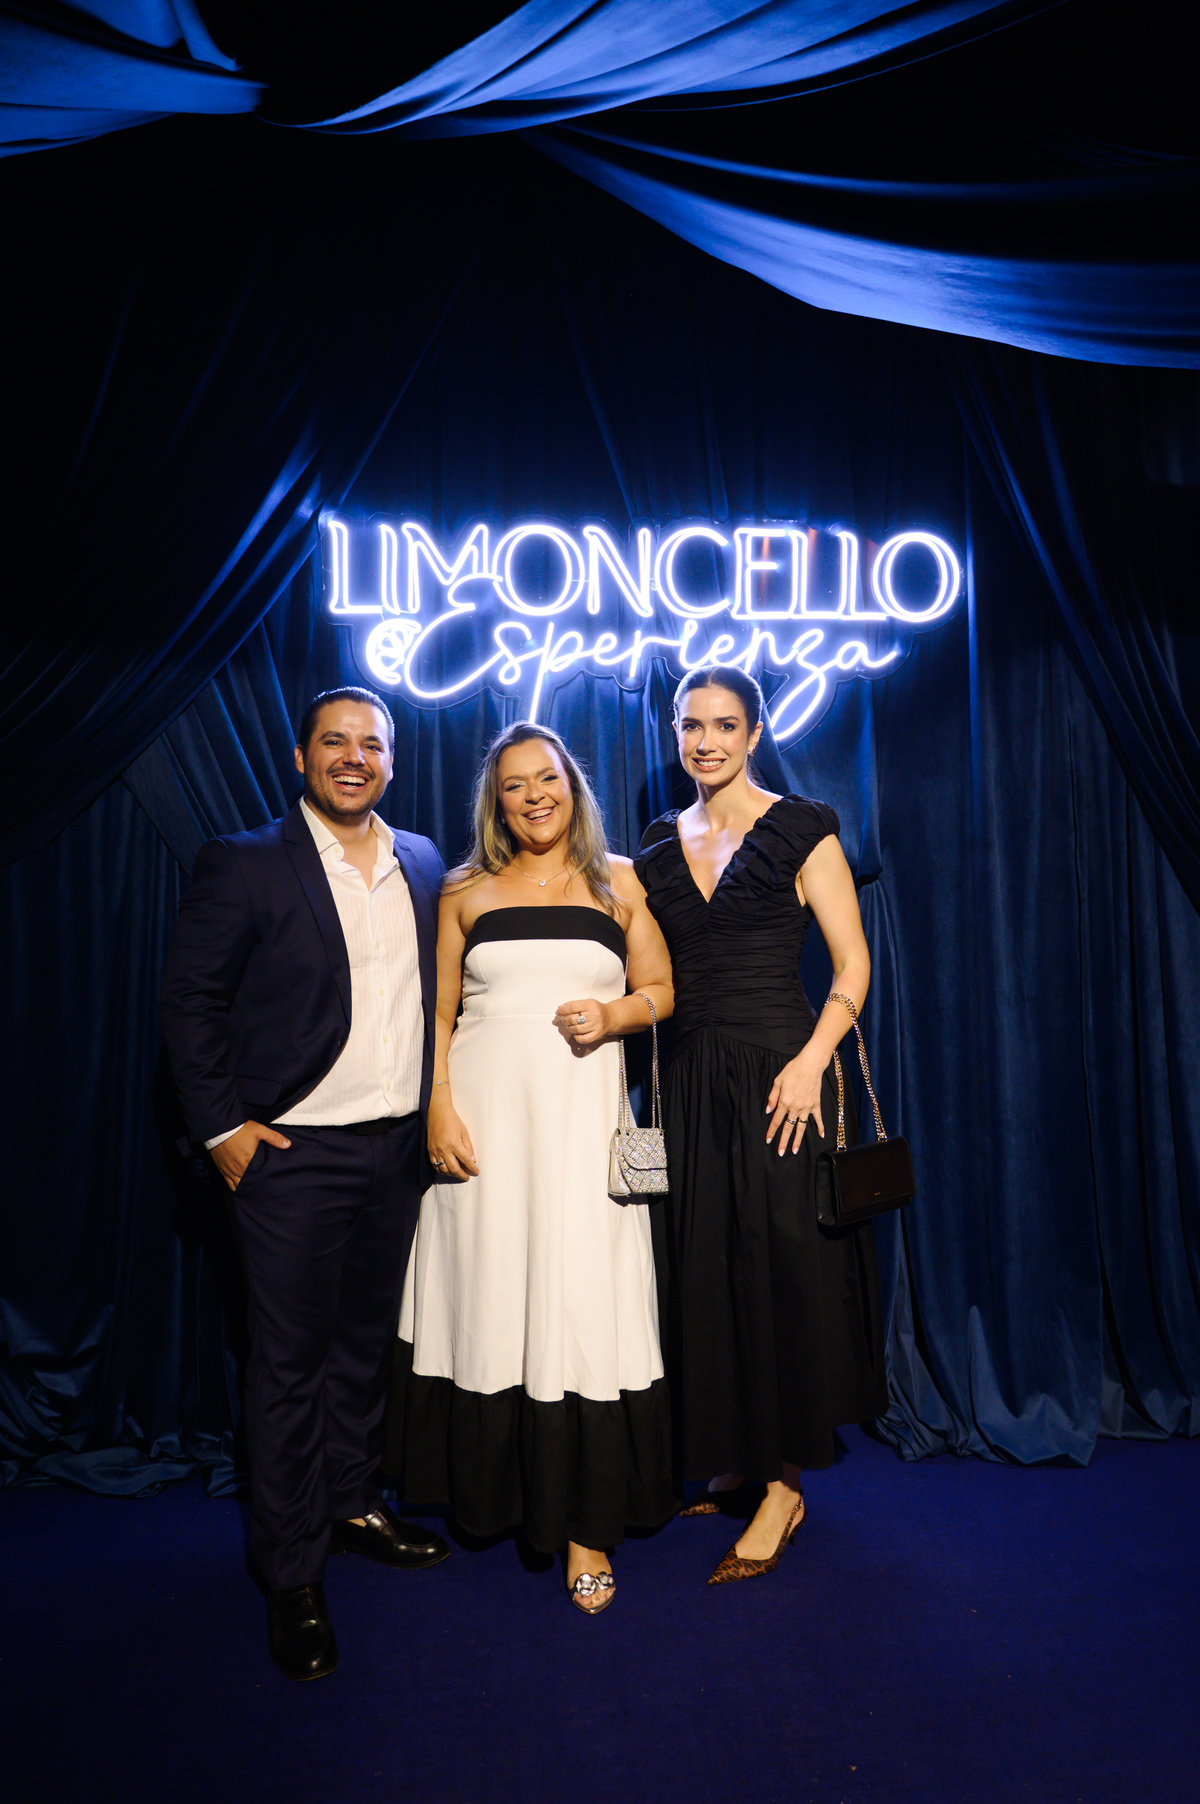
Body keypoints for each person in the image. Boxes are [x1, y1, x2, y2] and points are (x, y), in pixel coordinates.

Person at [159, 687, 450, 1681]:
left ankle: (354, 1503)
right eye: (335, 741)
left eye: (372, 744)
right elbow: (190, 1003)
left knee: (363, 1349)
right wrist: (223, 1131)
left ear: (392, 763)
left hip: (395, 1150)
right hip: (290, 1156)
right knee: (288, 1364)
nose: (354, 757)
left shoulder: (422, 861)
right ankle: (292, 1574)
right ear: (300, 756)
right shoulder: (243, 861)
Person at [385, 722, 675, 1613]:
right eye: (514, 785)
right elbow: (437, 1012)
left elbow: (663, 991)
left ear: (571, 785)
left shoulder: (619, 880)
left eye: (546, 778)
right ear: (496, 802)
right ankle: (495, 1496)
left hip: (582, 1125)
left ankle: (587, 1523)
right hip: (483, 1124)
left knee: (581, 1299)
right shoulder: (462, 889)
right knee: (493, 1293)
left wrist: (614, 1015)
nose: (534, 796)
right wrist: (438, 1103)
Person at [633, 664, 886, 1584]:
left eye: (724, 725)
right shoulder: (656, 844)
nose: (706, 741)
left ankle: (785, 1485)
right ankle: (739, 1454)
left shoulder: (802, 827)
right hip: (691, 1080)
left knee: (781, 1269)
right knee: (707, 1266)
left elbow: (852, 965)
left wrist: (812, 1062)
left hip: (784, 1076)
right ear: (675, 732)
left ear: (754, 732)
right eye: (690, 725)